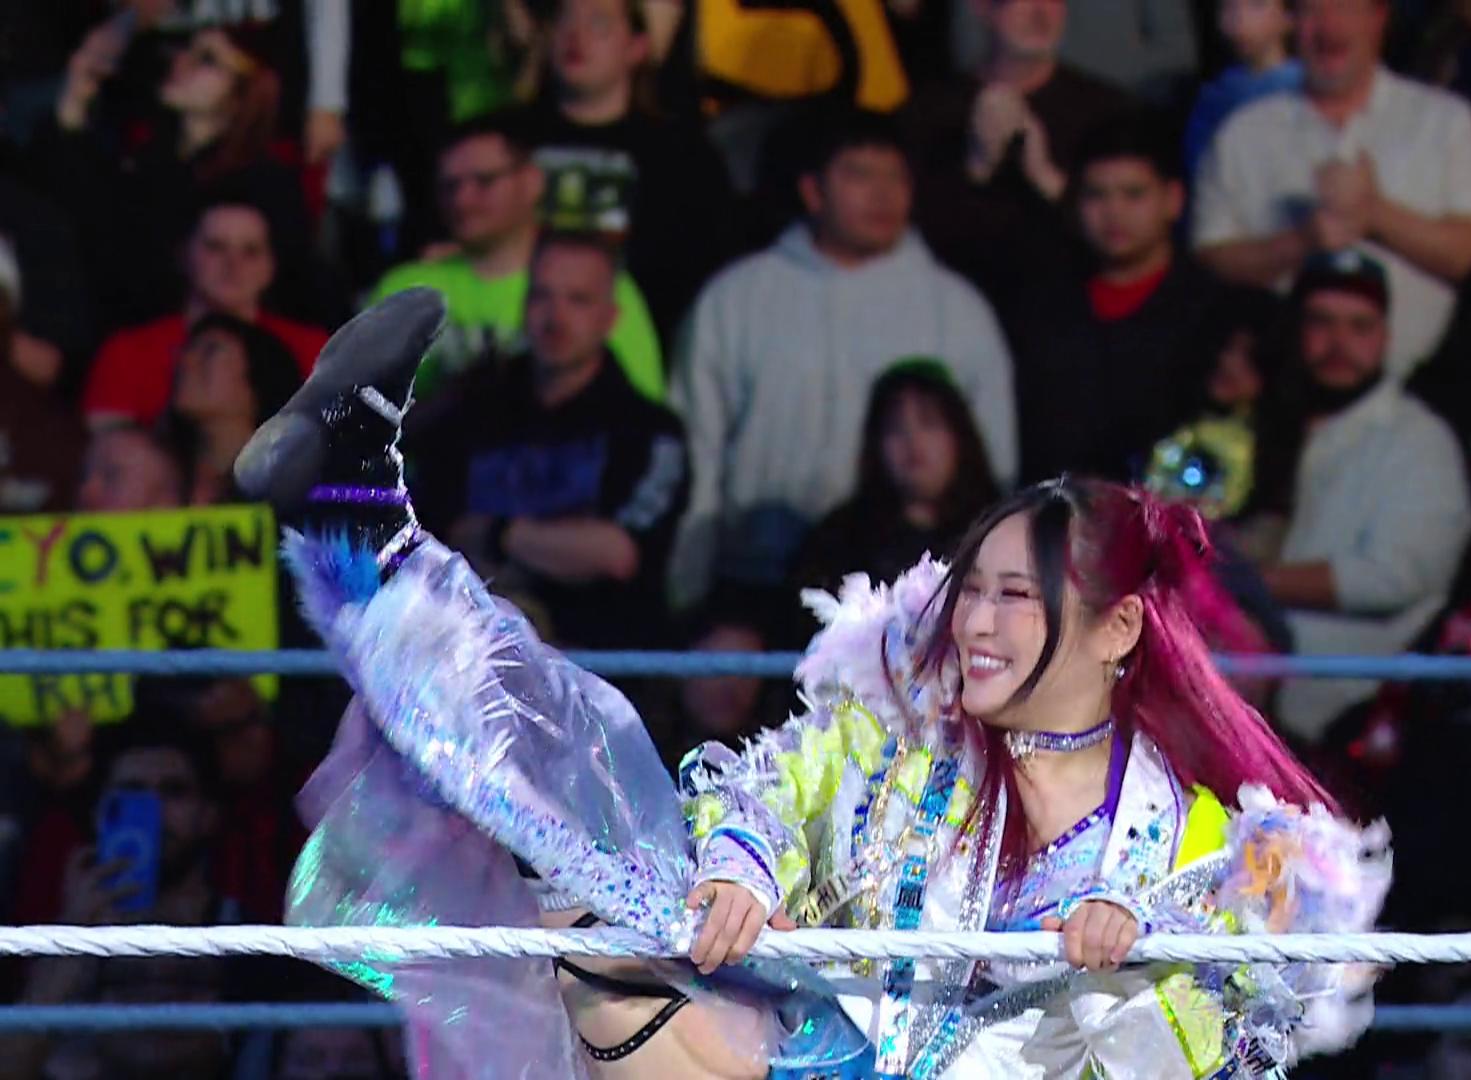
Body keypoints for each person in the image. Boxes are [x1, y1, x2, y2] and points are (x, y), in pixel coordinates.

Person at [235, 290, 1389, 1078]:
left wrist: (1136, 954)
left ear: (1118, 628)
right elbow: (764, 795)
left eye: (1017, 598)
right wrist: (742, 871)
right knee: (601, 910)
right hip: (815, 1056)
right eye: (971, 590)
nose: (976, 624)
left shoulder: (1191, 841)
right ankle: (362, 526)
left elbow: (1245, 1030)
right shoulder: (906, 741)